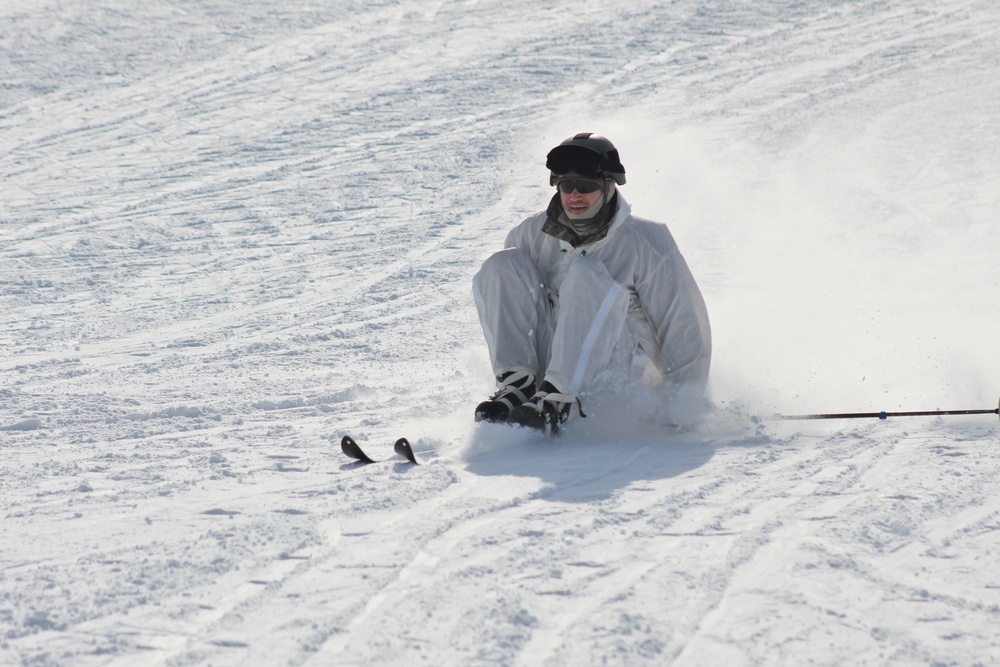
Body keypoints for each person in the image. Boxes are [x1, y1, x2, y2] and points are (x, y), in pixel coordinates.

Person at [472, 132, 711, 434]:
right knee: (501, 264)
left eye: (586, 187)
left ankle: (561, 400)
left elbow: (683, 323)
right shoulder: (530, 234)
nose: (575, 195)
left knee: (586, 273)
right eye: (566, 185)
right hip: (552, 368)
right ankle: (519, 387)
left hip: (617, 374)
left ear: (609, 186)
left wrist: (683, 407)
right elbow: (512, 304)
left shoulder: (646, 242)